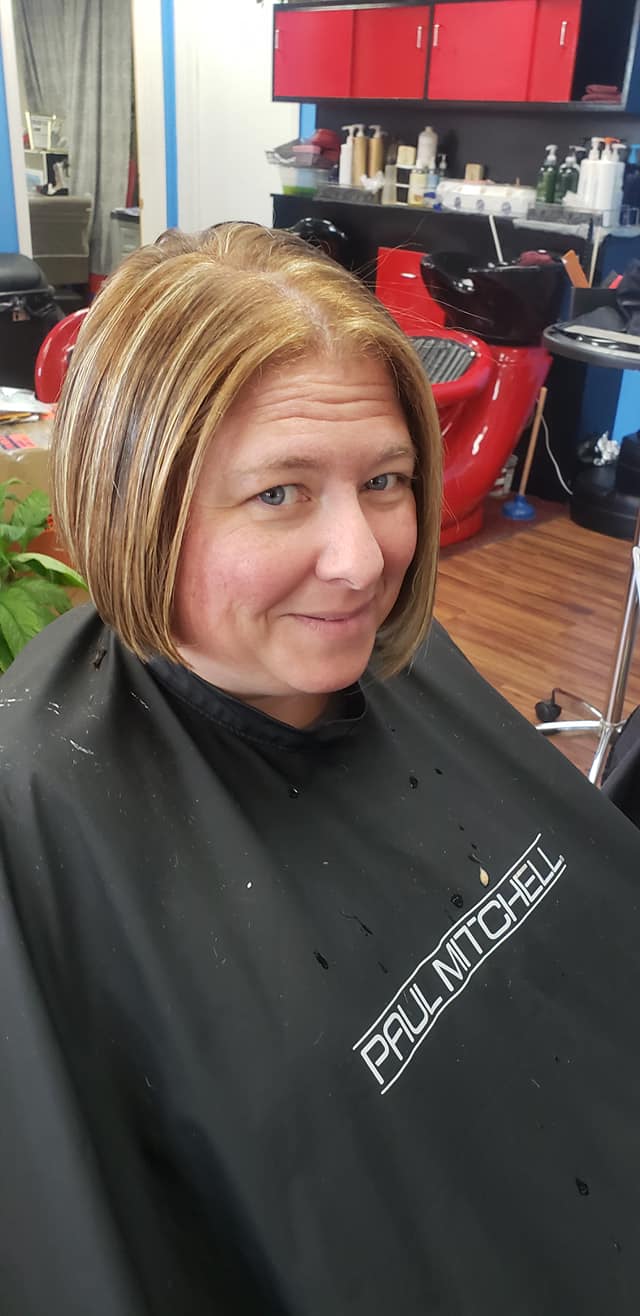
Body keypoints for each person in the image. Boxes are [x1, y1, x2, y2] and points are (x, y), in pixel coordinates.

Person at [1, 223, 640, 1316]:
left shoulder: (395, 659)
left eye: (384, 480)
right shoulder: (38, 821)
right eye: (279, 494)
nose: (361, 560)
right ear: (135, 502)